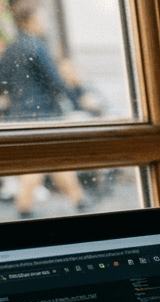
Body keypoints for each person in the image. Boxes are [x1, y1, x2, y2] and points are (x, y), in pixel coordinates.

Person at [0, 0, 93, 217]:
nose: (45, 22)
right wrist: (79, 99)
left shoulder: (10, 49)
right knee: (42, 161)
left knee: (52, 160)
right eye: (42, 17)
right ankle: (25, 209)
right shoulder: (37, 46)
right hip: (43, 114)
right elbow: (56, 81)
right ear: (30, 20)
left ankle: (79, 201)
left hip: (19, 116)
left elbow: (2, 84)